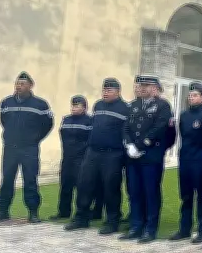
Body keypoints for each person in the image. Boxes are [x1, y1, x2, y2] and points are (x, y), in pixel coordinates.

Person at [65, 78, 130, 233]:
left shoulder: (125, 108)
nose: (105, 93)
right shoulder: (98, 105)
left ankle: (112, 221)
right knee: (84, 185)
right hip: (92, 152)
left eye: (109, 90)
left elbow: (126, 131)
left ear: (118, 92)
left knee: (111, 188)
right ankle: (81, 218)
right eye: (104, 90)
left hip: (113, 154)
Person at [0, 72, 53, 223]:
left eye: (22, 84)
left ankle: (33, 213)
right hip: (10, 148)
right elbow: (3, 121)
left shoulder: (41, 104)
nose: (19, 86)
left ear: (30, 85)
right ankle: (3, 211)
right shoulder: (6, 103)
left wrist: (34, 139)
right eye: (17, 83)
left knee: (30, 180)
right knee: (7, 179)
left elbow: (48, 124)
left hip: (29, 149)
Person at [120, 75, 173, 243]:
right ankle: (136, 226)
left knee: (150, 192)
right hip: (133, 156)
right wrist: (129, 145)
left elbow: (159, 128)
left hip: (151, 156)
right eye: (141, 85)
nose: (142, 88)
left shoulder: (163, 106)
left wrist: (140, 146)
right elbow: (126, 127)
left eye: (147, 85)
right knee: (134, 192)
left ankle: (150, 229)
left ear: (156, 88)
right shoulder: (133, 105)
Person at [168, 83, 202, 244]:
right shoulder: (185, 115)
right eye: (190, 95)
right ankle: (184, 229)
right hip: (185, 159)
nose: (191, 97)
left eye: (195, 95)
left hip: (200, 160)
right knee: (185, 196)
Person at [50, 96, 93, 221]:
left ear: (84, 107)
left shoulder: (89, 121)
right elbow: (63, 136)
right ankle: (64, 211)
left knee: (81, 186)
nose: (74, 108)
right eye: (73, 105)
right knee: (65, 185)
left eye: (77, 105)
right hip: (67, 157)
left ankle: (81, 213)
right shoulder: (66, 119)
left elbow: (88, 140)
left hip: (81, 158)